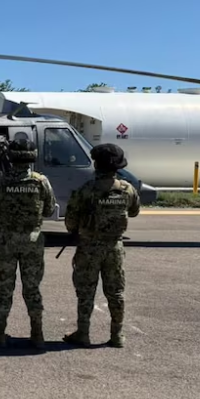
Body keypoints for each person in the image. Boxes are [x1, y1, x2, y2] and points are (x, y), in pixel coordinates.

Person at [62, 143, 141, 348]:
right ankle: (117, 335)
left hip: (89, 248)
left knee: (86, 292)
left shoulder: (86, 190)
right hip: (114, 248)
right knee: (116, 292)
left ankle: (83, 333)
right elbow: (134, 211)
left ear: (96, 164)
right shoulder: (127, 189)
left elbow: (70, 222)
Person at [0, 137, 56, 349]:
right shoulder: (40, 181)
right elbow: (49, 209)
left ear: (11, 157)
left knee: (4, 289)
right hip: (32, 242)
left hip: (6, 241)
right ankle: (37, 335)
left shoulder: (1, 181)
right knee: (32, 289)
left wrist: (5, 226)